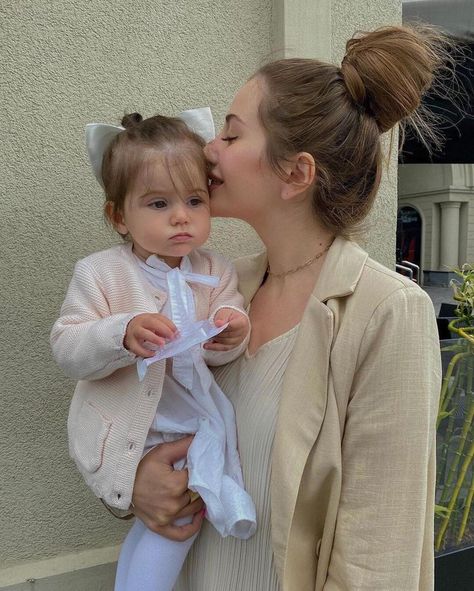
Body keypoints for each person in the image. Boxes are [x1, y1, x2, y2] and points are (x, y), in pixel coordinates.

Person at [130, 25, 449, 591]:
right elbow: (138, 416)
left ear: (296, 174)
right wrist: (136, 486)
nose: (208, 149)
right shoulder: (216, 289)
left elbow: (378, 561)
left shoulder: (387, 312)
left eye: (231, 134)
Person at [50, 111, 257, 591]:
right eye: (159, 203)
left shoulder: (215, 270)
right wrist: (121, 333)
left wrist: (231, 332)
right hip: (131, 428)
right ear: (119, 216)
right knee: (174, 522)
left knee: (163, 526)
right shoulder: (100, 273)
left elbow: (224, 332)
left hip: (189, 423)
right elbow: (67, 345)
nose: (181, 216)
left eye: (195, 200)